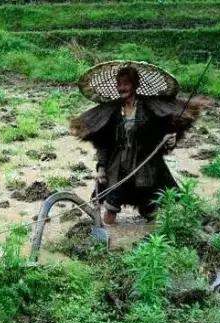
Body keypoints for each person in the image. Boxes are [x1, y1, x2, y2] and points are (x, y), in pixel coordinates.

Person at [70, 65, 202, 225]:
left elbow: (162, 133)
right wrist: (101, 167)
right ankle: (108, 240)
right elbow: (103, 142)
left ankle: (150, 243)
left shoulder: (149, 109)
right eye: (119, 84)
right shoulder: (113, 111)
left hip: (144, 167)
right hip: (119, 167)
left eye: (125, 84)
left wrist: (170, 140)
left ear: (135, 85)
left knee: (150, 212)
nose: (121, 88)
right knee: (110, 210)